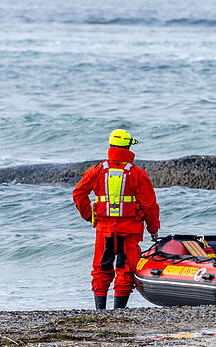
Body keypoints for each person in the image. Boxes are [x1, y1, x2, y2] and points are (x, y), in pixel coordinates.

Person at [73, 129, 160, 309]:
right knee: (125, 269)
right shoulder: (137, 174)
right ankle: (119, 311)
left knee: (101, 268)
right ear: (128, 146)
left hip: (104, 229)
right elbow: (149, 205)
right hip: (129, 230)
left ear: (111, 146)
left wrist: (90, 216)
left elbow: (78, 193)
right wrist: (153, 229)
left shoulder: (96, 171)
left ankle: (100, 310)